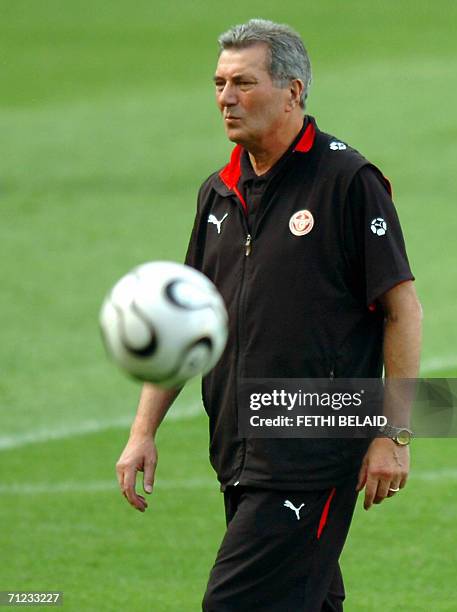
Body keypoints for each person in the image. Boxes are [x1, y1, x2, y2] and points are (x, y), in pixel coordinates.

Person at [116, 19, 423, 611]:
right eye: (219, 83)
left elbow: (402, 308)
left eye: (244, 83)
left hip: (312, 448)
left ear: (293, 91)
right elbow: (186, 325)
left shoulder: (346, 182)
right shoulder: (220, 191)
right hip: (238, 449)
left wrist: (393, 432)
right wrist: (142, 431)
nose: (226, 98)